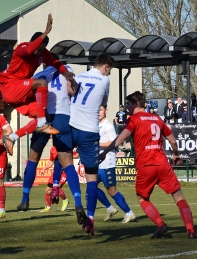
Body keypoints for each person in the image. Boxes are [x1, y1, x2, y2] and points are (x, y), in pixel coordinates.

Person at [100, 91, 197, 239]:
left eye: (129, 104)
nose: (127, 107)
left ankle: (160, 224)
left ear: (137, 104)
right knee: (178, 195)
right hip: (162, 163)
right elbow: (172, 140)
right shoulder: (157, 118)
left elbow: (121, 138)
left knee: (142, 198)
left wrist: (104, 152)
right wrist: (176, 154)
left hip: (146, 165)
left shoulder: (133, 120)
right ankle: (190, 230)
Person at [0, 14, 75, 156]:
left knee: (44, 115)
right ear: (33, 42)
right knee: (42, 83)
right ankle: (42, 124)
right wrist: (46, 32)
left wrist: (66, 72)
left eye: (41, 50)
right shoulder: (22, 47)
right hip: (10, 87)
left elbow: (55, 63)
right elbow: (30, 50)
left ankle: (12, 137)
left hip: (21, 92)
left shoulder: (43, 53)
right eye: (38, 48)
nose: (38, 52)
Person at [15, 53, 78, 213]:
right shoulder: (67, 69)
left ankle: (25, 199)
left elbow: (30, 97)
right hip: (63, 117)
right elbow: (72, 91)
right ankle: (77, 202)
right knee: (67, 162)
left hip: (44, 117)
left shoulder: (39, 75)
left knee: (33, 159)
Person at [65, 53, 116, 236]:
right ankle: (91, 220)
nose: (108, 74)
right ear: (105, 67)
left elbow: (70, 95)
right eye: (109, 71)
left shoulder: (78, 76)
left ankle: (60, 188)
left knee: (65, 162)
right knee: (91, 178)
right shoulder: (104, 81)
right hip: (89, 131)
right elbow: (102, 104)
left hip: (71, 126)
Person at [97, 105, 135, 223]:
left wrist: (97, 143)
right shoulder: (96, 125)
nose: (98, 112)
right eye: (97, 110)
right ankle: (110, 208)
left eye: (101, 110)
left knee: (111, 190)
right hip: (98, 163)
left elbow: (115, 142)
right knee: (91, 187)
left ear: (106, 111)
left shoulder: (108, 126)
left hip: (107, 162)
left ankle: (129, 212)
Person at [38, 146, 69, 213]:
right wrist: (44, 168)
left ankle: (65, 200)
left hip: (65, 171)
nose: (52, 138)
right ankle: (48, 207)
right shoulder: (52, 149)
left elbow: (74, 156)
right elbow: (51, 162)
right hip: (56, 172)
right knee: (47, 190)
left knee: (57, 186)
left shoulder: (65, 146)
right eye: (52, 137)